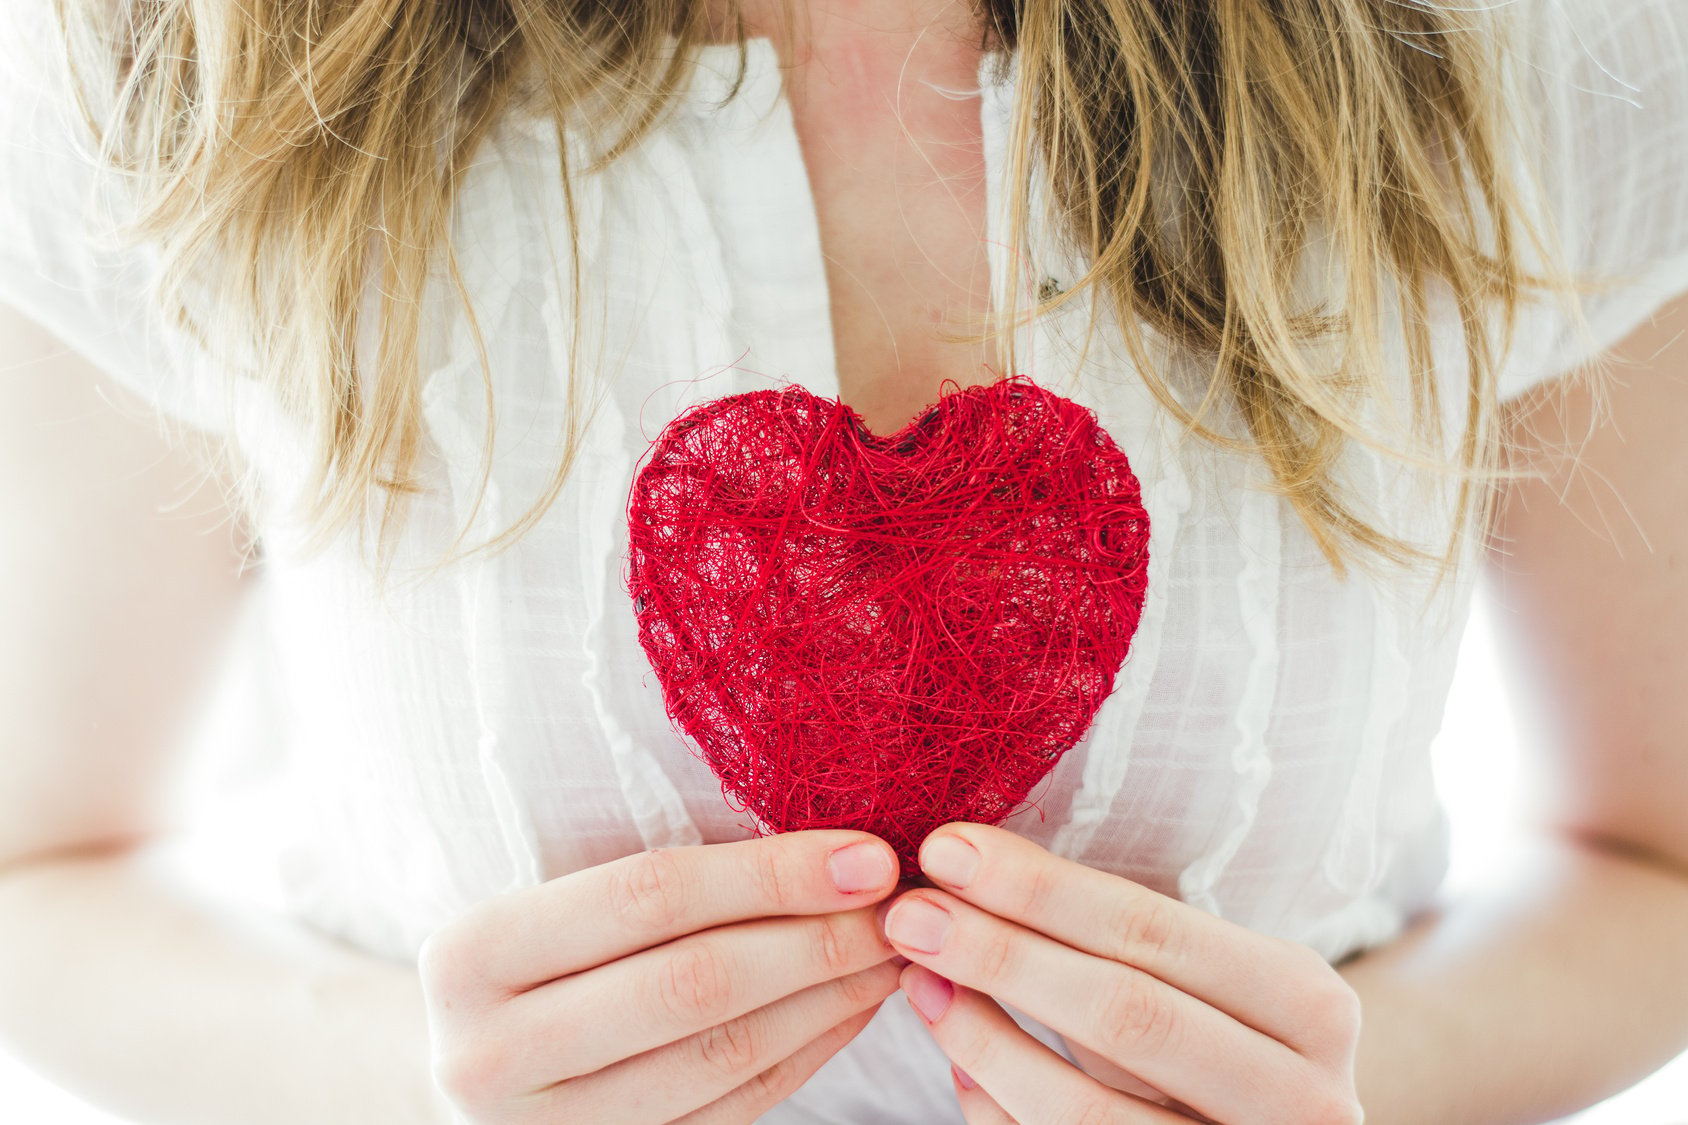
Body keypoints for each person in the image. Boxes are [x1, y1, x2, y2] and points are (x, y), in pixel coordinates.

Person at [1, 0, 1685, 1121]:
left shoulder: (1539, 48)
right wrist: (414, 1085)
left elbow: (1659, 870)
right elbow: (37, 883)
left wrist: (1355, 1086)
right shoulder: (164, 52)